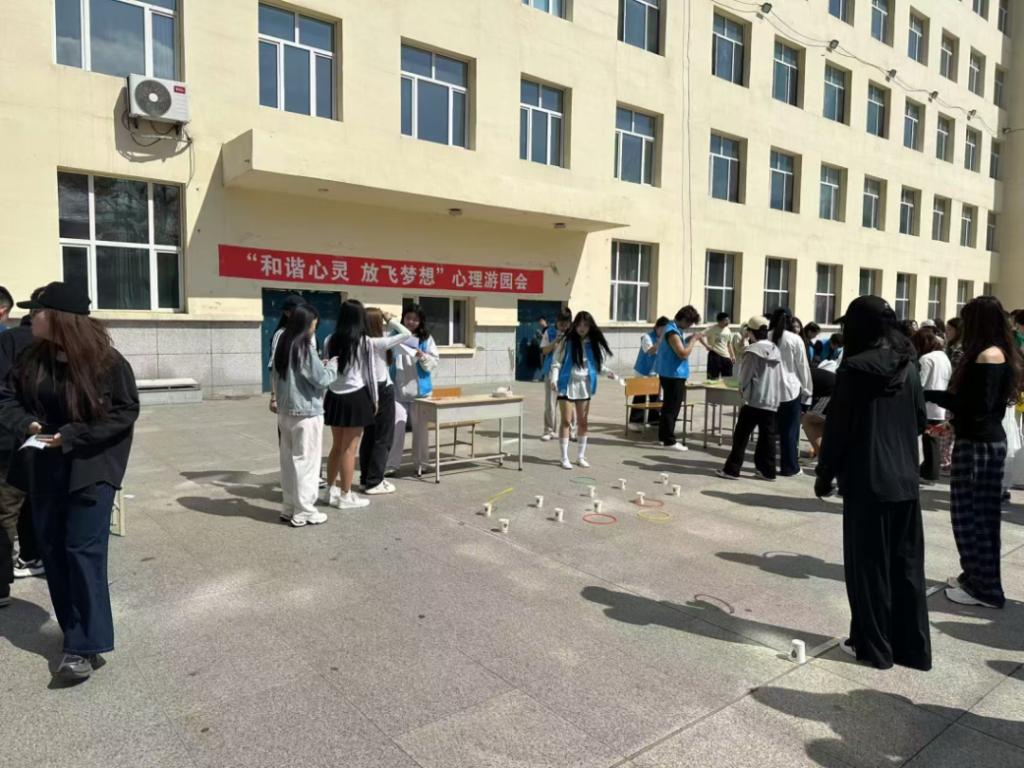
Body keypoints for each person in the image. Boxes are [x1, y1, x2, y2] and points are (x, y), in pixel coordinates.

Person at [0, 282, 139, 681]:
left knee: (82, 550)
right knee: (55, 551)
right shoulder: (31, 357)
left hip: (91, 468)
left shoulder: (107, 362)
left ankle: (83, 645)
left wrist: (73, 435)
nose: (31, 317)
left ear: (60, 318)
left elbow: (124, 411)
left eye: (38, 311)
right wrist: (28, 424)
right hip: (45, 466)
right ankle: (74, 631)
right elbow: (5, 398)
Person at [814, 295, 931, 671]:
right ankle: (909, 648)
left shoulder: (854, 368)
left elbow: (838, 428)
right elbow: (919, 419)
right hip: (905, 478)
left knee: (868, 568)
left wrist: (825, 473)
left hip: (867, 479)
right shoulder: (909, 364)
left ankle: (873, 646)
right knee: (906, 567)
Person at [925, 296, 1021, 609]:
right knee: (972, 516)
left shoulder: (988, 356)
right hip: (981, 440)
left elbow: (976, 406)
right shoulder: (996, 353)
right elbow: (980, 407)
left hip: (980, 446)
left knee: (974, 519)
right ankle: (975, 576)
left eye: (968, 320)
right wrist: (954, 424)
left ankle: (986, 589)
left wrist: (928, 395)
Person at [272, 303, 338, 526]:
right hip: (306, 412)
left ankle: (289, 506)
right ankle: (305, 511)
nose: (314, 329)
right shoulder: (304, 345)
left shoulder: (283, 342)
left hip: (285, 411)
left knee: (288, 462)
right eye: (313, 325)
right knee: (306, 463)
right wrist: (332, 366)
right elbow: (321, 379)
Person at [0, 288, 45, 598]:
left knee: (6, 506)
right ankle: (32, 555)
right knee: (31, 498)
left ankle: (2, 582)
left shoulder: (12, 340)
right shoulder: (62, 343)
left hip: (11, 436)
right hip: (46, 435)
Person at [324, 300, 379, 509]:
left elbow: (327, 368)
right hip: (355, 396)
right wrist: (375, 399)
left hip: (334, 395)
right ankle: (346, 495)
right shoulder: (365, 341)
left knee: (337, 446)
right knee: (349, 449)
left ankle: (330, 490)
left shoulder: (330, 339)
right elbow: (370, 373)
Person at [717, 316, 783, 481]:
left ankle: (732, 470)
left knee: (741, 436)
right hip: (771, 399)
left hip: (754, 400)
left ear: (750, 332)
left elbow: (745, 376)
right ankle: (768, 471)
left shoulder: (753, 350)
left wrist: (742, 390)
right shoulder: (775, 349)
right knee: (767, 437)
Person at [550, 311, 615, 469]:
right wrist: (554, 378)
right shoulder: (566, 341)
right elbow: (556, 362)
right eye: (579, 324)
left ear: (590, 326)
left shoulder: (593, 344)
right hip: (566, 383)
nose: (582, 328)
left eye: (585, 325)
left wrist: (608, 373)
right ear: (575, 325)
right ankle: (564, 457)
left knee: (583, 422)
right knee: (566, 421)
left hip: (584, 385)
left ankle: (580, 456)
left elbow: (598, 366)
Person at [358, 308, 411, 495]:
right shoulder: (377, 343)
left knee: (369, 436)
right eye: (380, 321)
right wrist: (391, 320)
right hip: (382, 391)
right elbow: (406, 334)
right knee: (383, 437)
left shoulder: (359, 342)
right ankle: (375, 481)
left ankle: (366, 479)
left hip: (365, 390)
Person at [387, 304, 439, 475]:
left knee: (421, 430)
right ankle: (391, 465)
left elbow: (434, 362)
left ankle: (421, 463)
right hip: (398, 391)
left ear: (421, 321)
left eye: (415, 319)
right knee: (397, 428)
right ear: (403, 318)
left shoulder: (426, 339)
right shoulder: (394, 336)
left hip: (420, 394)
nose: (411, 322)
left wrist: (421, 356)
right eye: (408, 318)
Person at [769, 307, 812, 477]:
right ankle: (790, 467)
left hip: (769, 390)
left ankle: (765, 466)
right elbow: (803, 367)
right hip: (790, 390)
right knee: (790, 432)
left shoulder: (766, 336)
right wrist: (807, 391)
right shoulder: (795, 339)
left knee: (769, 431)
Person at [656, 306, 703, 452]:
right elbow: (682, 353)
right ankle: (669, 441)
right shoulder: (672, 332)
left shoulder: (673, 328)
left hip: (670, 373)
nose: (689, 326)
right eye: (689, 323)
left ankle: (663, 437)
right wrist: (693, 340)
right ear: (683, 319)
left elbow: (678, 346)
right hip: (673, 375)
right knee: (672, 408)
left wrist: (687, 339)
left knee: (668, 407)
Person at [914, 328, 952, 484]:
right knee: (933, 439)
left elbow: (920, 382)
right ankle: (931, 471)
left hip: (927, 403)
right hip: (940, 404)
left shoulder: (926, 359)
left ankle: (929, 473)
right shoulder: (944, 357)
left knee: (928, 440)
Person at [268, 294, 307, 415]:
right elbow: (274, 367)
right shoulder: (281, 334)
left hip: (308, 400)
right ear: (287, 313)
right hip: (288, 398)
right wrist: (274, 397)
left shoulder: (309, 333)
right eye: (298, 311)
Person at [628, 316, 669, 431]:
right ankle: (635, 422)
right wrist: (660, 341)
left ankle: (653, 421)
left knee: (654, 397)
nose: (664, 332)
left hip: (654, 372)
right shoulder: (647, 337)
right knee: (640, 396)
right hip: (642, 371)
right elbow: (651, 351)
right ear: (657, 327)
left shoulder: (666, 339)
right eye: (662, 329)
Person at [540, 308, 572, 441]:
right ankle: (549, 430)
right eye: (561, 324)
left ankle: (571, 430)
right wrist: (554, 343)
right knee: (550, 404)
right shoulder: (549, 332)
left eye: (566, 324)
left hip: (568, 373)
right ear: (557, 322)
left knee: (569, 403)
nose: (563, 327)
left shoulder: (573, 334)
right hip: (551, 372)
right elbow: (544, 351)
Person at [801, 359, 837, 461]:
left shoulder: (796, 377)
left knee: (807, 420)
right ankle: (824, 456)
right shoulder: (806, 372)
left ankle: (823, 460)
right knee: (819, 423)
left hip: (832, 392)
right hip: (837, 392)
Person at [701, 312, 736, 380]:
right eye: (726, 320)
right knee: (713, 378)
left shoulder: (728, 330)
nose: (728, 322)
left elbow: (729, 343)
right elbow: (699, 336)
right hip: (715, 355)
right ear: (720, 321)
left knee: (727, 378)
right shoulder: (712, 329)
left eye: (728, 320)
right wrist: (706, 345)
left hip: (726, 356)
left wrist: (732, 355)